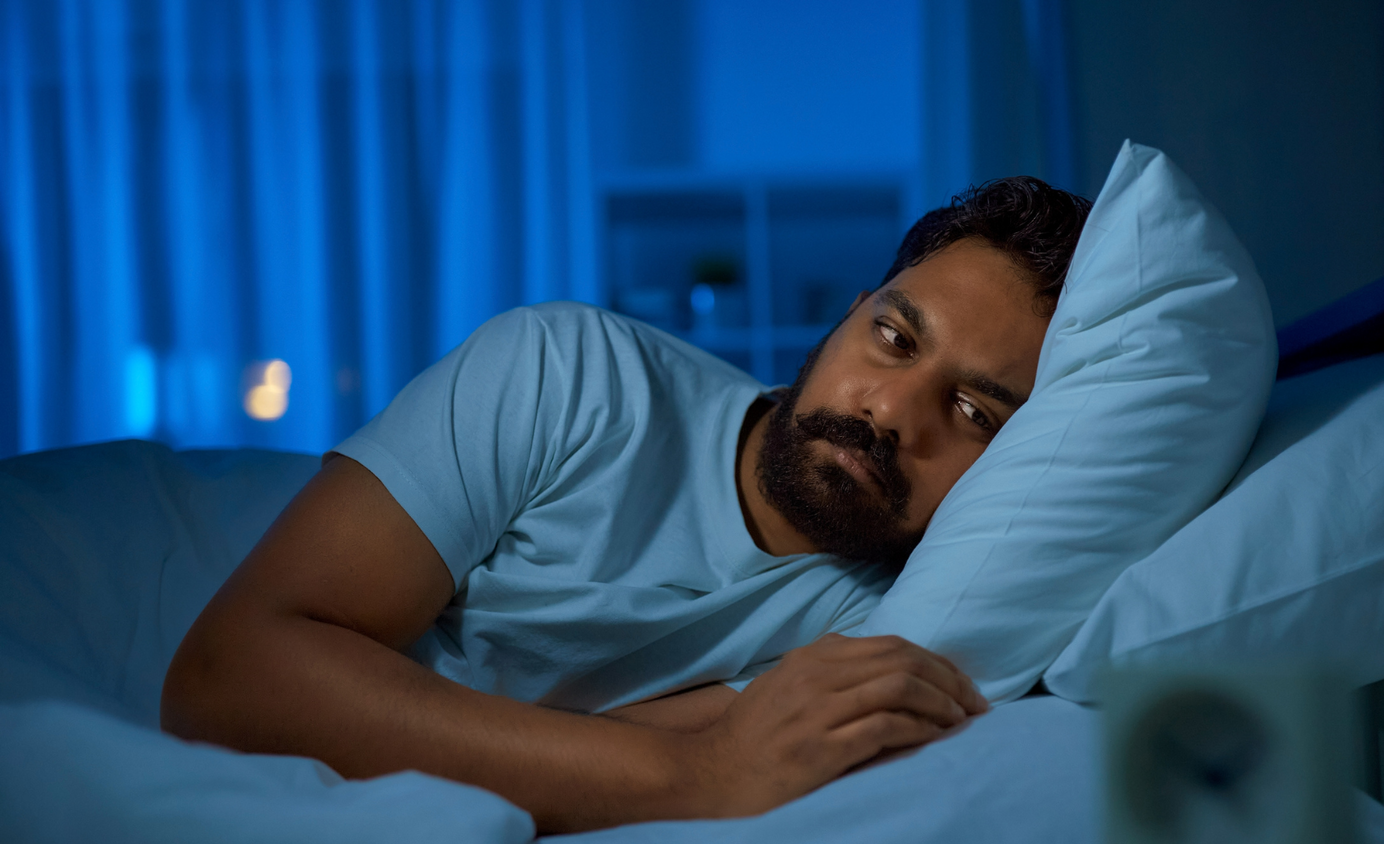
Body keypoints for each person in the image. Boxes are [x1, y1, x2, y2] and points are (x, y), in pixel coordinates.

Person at [161, 176, 1092, 834]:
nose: (887, 412)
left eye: (972, 413)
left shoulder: (910, 613)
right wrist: (700, 772)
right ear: (848, 313)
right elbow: (224, 676)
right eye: (892, 336)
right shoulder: (566, 373)